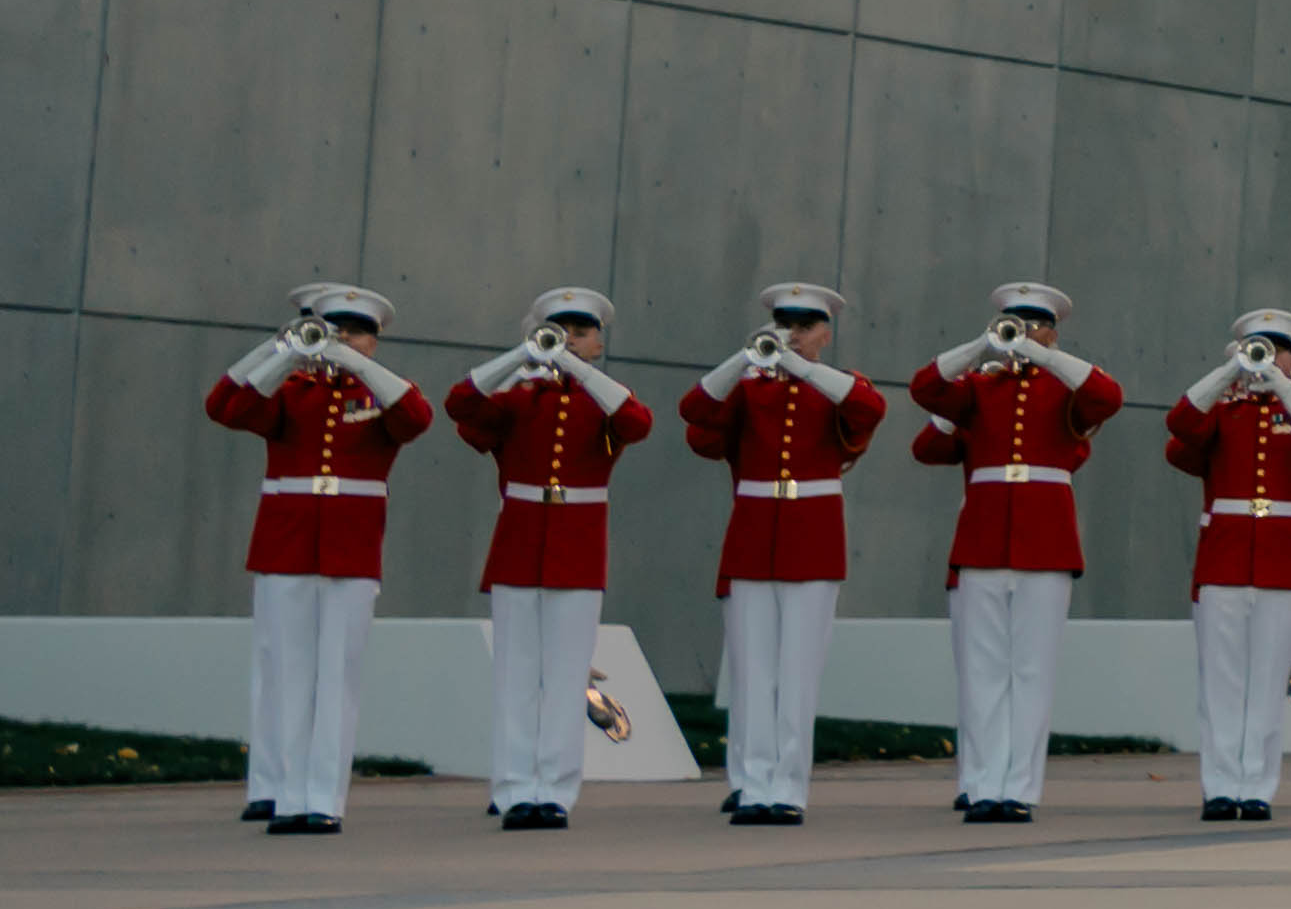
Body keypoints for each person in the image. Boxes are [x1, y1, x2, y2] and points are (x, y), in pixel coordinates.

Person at [910, 279, 1128, 822]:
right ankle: (984, 786)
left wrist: (1041, 355)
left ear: (1053, 331)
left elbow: (1108, 396)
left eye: (1035, 324)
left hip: (1046, 547)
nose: (1023, 333)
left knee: (1032, 675)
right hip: (983, 542)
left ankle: (1020, 790)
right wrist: (982, 348)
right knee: (984, 676)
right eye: (1014, 323)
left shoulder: (1065, 390)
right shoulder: (979, 389)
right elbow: (926, 389)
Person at [207, 282, 422, 833]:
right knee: (290, 675)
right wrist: (280, 351)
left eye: (356, 332)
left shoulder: (379, 393)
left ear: (373, 342)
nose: (343, 339)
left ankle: (322, 801)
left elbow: (415, 417)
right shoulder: (292, 389)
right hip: (287, 543)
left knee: (337, 679)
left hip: (350, 548)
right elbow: (225, 406)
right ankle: (286, 797)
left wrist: (349, 360)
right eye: (336, 329)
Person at [445, 288, 647, 829]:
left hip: (578, 552)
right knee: (516, 677)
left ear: (598, 343)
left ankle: (554, 791)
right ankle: (514, 789)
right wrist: (522, 359)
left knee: (563, 681)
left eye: (582, 332)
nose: (570, 340)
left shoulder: (602, 399)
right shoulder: (518, 397)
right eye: (560, 330)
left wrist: (576, 370)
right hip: (518, 547)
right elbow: (460, 406)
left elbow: (636, 421)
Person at [683, 280, 880, 826]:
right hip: (752, 539)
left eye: (804, 326)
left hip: (813, 541)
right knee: (752, 672)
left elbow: (869, 408)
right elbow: (694, 412)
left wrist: (802, 368)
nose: (792, 335)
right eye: (784, 324)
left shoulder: (836, 385)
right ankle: (751, 784)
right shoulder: (748, 387)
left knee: (797, 675)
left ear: (825, 333)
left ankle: (787, 788)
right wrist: (745, 360)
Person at [1167, 313, 1291, 819]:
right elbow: (1178, 427)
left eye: (1278, 349)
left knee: (1267, 683)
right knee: (1221, 684)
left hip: (1282, 562)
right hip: (1223, 557)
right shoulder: (1223, 409)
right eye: (1257, 348)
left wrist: (1284, 388)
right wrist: (1230, 376)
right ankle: (1220, 787)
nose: (1269, 356)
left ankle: (1257, 788)